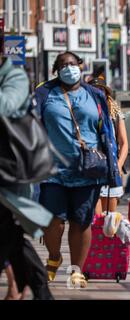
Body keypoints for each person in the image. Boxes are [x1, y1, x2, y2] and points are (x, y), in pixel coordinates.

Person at [34, 51, 121, 288]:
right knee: (53, 220)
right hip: (53, 170)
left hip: (88, 170)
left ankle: (76, 270)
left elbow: (108, 135)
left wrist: (114, 175)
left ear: (81, 66)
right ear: (56, 70)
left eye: (72, 64)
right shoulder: (44, 93)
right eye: (63, 65)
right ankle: (54, 256)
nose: (68, 68)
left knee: (81, 221)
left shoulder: (94, 94)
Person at [0, 55, 53, 299]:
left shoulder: (15, 77)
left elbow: (5, 106)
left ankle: (37, 287)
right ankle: (37, 288)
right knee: (10, 238)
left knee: (10, 236)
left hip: (8, 173)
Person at [88, 76, 128, 213]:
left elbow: (124, 143)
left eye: (101, 90)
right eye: (93, 90)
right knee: (97, 219)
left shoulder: (115, 113)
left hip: (111, 167)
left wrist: (118, 165)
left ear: (106, 93)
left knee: (111, 221)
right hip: (92, 168)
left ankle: (109, 235)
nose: (98, 93)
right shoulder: (83, 112)